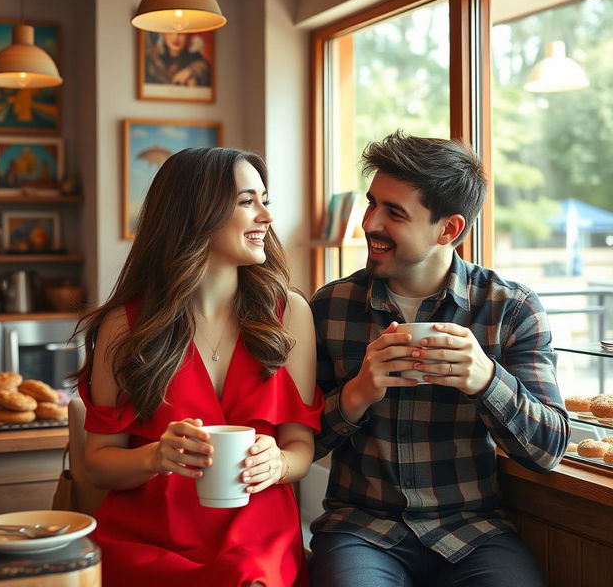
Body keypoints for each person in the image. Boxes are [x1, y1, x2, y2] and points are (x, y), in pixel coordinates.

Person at [308, 131, 569, 587]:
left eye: (395, 213)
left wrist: (487, 380)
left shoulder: (511, 308)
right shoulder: (330, 306)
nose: (370, 223)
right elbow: (298, 445)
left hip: (473, 531)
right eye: (372, 204)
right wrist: (356, 395)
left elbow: (548, 450)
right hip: (360, 529)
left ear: (448, 229)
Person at [72, 147, 323, 587]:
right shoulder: (125, 325)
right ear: (195, 215)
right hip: (148, 535)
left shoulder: (290, 314)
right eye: (248, 202)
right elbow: (95, 464)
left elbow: (300, 447)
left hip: (256, 532)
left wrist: (279, 463)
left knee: (247, 577)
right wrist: (155, 455)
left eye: (265, 200)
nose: (266, 216)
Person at [145, 32, 211, 87]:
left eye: (181, 34)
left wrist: (190, 71)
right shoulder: (155, 59)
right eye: (170, 33)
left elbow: (203, 66)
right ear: (164, 35)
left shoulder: (196, 58)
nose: (175, 37)